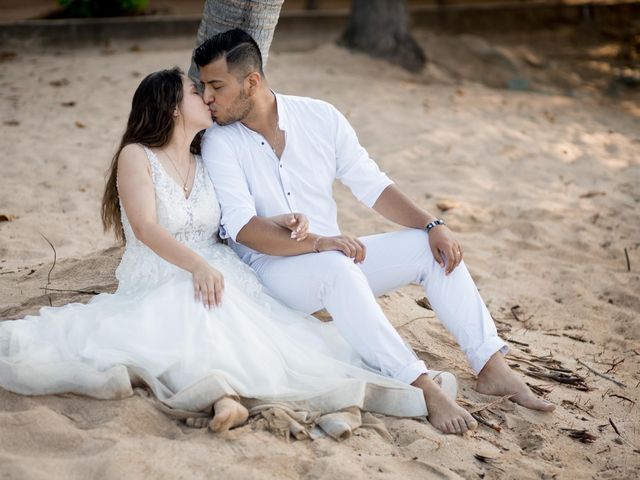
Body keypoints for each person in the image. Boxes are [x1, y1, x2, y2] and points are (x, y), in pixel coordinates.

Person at [0, 67, 456, 437]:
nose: (206, 97)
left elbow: (227, 223)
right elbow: (145, 226)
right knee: (188, 307)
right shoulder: (136, 156)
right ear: (172, 107)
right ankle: (221, 396)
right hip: (161, 268)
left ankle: (230, 395)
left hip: (217, 266)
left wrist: (280, 221)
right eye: (195, 92)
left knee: (252, 327)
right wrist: (196, 265)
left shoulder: (204, 159)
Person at [196, 28, 555, 435]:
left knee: (426, 248)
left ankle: (491, 365)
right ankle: (419, 384)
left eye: (216, 86)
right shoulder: (219, 141)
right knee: (337, 267)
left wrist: (432, 224)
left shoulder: (320, 116)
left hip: (336, 258)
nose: (207, 97)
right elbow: (242, 229)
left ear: (252, 82)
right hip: (273, 271)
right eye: (205, 86)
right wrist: (318, 244)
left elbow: (372, 184)